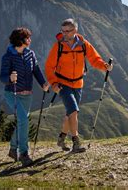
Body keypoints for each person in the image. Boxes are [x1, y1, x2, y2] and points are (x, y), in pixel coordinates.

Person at [45, 18, 113, 153]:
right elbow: (49, 66)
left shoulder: (83, 44)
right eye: (63, 31)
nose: (64, 34)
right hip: (63, 84)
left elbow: (94, 59)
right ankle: (76, 142)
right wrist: (54, 82)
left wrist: (105, 66)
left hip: (78, 83)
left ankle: (61, 138)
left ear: (75, 30)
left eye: (68, 31)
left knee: (69, 114)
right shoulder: (58, 46)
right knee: (74, 111)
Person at [0, 27, 50, 166]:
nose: (30, 40)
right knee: (23, 119)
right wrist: (10, 78)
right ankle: (24, 154)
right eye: (28, 37)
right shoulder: (8, 56)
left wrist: (43, 83)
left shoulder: (30, 54)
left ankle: (12, 148)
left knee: (22, 121)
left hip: (27, 95)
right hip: (12, 93)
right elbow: (2, 77)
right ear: (21, 40)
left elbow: (36, 70)